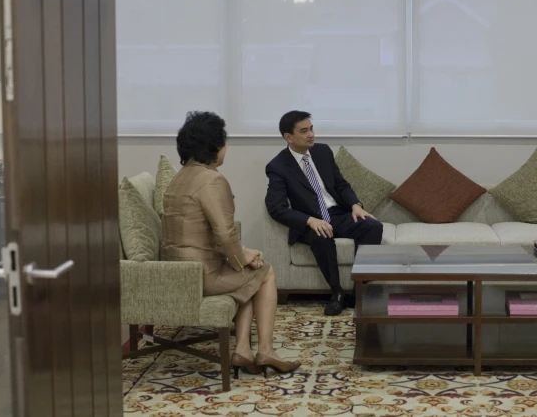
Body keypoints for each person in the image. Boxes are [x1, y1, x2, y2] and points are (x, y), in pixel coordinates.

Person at [161, 111, 300, 378]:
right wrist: (244, 257)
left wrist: (243, 256)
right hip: (200, 274)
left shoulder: (180, 177)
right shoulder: (212, 180)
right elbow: (224, 234)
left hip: (176, 269)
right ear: (214, 146)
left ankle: (244, 351)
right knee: (265, 272)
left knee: (248, 277)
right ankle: (267, 350)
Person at [265, 110, 383, 316]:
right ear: (288, 137)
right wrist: (310, 220)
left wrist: (355, 205)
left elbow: (341, 184)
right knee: (321, 234)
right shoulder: (277, 166)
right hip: (311, 220)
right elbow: (276, 208)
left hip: (337, 214)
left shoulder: (323, 152)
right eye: (304, 131)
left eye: (311, 129)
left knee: (373, 226)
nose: (311, 134)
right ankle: (336, 292)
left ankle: (359, 291)